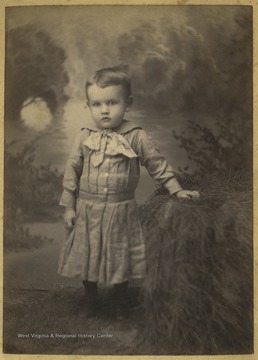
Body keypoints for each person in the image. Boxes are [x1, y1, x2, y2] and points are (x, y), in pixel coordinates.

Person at [58, 66, 200, 320]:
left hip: (120, 209)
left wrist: (176, 190)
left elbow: (157, 164)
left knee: (119, 256)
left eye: (112, 102)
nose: (104, 110)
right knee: (88, 255)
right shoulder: (84, 138)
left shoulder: (136, 136)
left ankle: (118, 301)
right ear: (88, 105)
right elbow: (72, 172)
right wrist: (69, 206)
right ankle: (90, 299)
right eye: (97, 104)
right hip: (88, 209)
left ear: (128, 104)